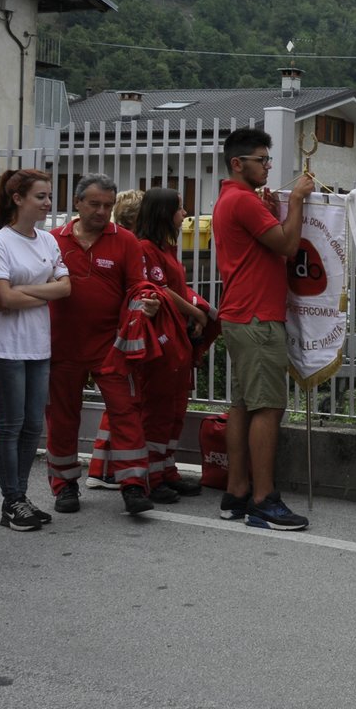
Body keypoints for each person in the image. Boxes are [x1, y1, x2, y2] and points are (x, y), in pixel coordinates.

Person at [212, 127, 313, 530]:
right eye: (262, 160)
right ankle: (263, 499)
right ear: (238, 164)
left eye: (268, 160)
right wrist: (299, 202)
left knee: (243, 405)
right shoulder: (243, 201)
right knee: (268, 407)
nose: (268, 167)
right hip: (257, 317)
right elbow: (288, 246)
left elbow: (263, 244)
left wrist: (272, 211)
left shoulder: (231, 199)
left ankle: (236, 492)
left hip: (240, 315)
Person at [46, 174, 158, 516]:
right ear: (77, 203)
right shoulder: (51, 240)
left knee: (125, 413)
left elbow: (137, 285)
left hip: (111, 346)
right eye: (94, 204)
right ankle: (64, 485)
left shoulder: (124, 240)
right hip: (61, 346)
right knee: (62, 419)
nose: (102, 211)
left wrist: (147, 299)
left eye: (108, 206)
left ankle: (134, 486)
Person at [0, 169, 69, 532]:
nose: (48, 203)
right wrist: (42, 290)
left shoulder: (48, 241)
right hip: (5, 346)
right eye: (40, 197)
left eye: (49, 197)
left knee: (33, 425)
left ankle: (20, 497)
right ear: (18, 199)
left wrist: (23, 294)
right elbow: (2, 299)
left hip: (37, 344)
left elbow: (65, 289)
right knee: (10, 424)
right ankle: (12, 499)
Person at [132, 188, 210, 503]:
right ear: (164, 213)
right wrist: (196, 312)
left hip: (177, 338)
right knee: (159, 408)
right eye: (179, 209)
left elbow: (177, 287)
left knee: (176, 407)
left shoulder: (166, 248)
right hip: (160, 339)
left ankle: (167, 469)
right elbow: (162, 291)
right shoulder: (145, 248)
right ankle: (152, 475)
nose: (184, 214)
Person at [86, 189, 144, 490]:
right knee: (122, 407)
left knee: (119, 408)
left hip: (113, 337)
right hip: (119, 338)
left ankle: (107, 471)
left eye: (107, 206)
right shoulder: (134, 244)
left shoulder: (125, 242)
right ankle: (104, 471)